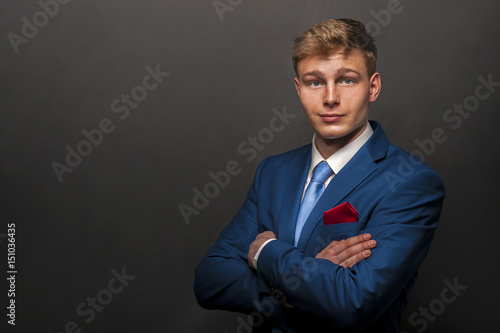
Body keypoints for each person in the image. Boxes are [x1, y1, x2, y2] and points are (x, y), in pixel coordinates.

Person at [194, 18, 445, 332]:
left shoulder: (411, 182)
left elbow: (354, 301)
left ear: (373, 87)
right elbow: (209, 278)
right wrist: (289, 287)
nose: (330, 97)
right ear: (299, 89)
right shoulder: (273, 171)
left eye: (347, 80)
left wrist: (268, 253)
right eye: (315, 82)